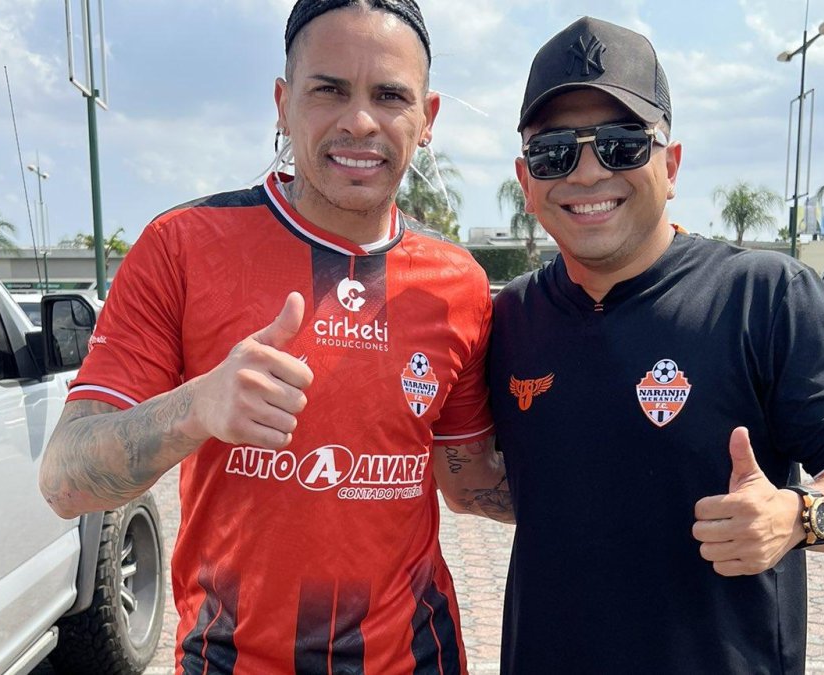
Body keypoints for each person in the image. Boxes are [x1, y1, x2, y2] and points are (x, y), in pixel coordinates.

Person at [38, 1, 512, 672]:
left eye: (389, 96)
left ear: (427, 118)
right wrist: (196, 408)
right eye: (329, 90)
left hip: (418, 657)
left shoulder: (457, 283)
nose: (360, 121)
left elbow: (468, 482)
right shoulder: (183, 246)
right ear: (283, 105)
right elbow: (65, 480)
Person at [487, 16, 824, 674]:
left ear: (671, 164)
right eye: (555, 152)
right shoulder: (509, 317)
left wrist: (796, 515)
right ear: (526, 178)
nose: (588, 172)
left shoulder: (763, 296)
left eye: (623, 145)